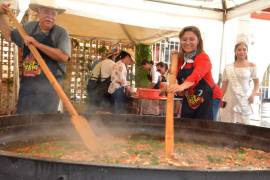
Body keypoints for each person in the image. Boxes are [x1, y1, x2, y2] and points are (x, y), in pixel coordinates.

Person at [0, 1, 71, 114]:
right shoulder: (29, 27)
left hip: (50, 88)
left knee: (44, 124)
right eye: (46, 12)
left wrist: (37, 44)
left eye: (53, 13)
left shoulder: (61, 33)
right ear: (38, 12)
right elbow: (8, 36)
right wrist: (1, 14)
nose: (50, 16)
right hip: (28, 86)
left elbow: (63, 56)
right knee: (23, 121)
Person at [167, 26, 217, 120]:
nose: (187, 42)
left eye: (192, 39)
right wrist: (177, 88)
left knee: (203, 128)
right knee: (186, 126)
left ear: (198, 41)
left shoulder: (203, 57)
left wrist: (181, 87)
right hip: (190, 99)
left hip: (207, 99)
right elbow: (175, 76)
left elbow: (196, 75)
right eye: (184, 39)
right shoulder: (181, 60)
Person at [220, 42, 259, 124]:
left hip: (244, 99)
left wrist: (253, 95)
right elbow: (224, 86)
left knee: (243, 125)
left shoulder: (252, 65)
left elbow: (256, 83)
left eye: (244, 50)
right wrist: (218, 99)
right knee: (228, 124)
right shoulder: (228, 68)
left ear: (247, 51)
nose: (242, 52)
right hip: (229, 99)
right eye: (239, 50)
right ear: (235, 51)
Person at [108, 49, 135, 114]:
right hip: (117, 89)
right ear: (127, 57)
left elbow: (121, 78)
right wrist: (129, 89)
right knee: (118, 111)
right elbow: (122, 79)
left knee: (115, 110)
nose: (130, 62)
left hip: (114, 89)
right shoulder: (121, 65)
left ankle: (114, 123)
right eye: (130, 60)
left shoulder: (118, 63)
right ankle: (118, 123)